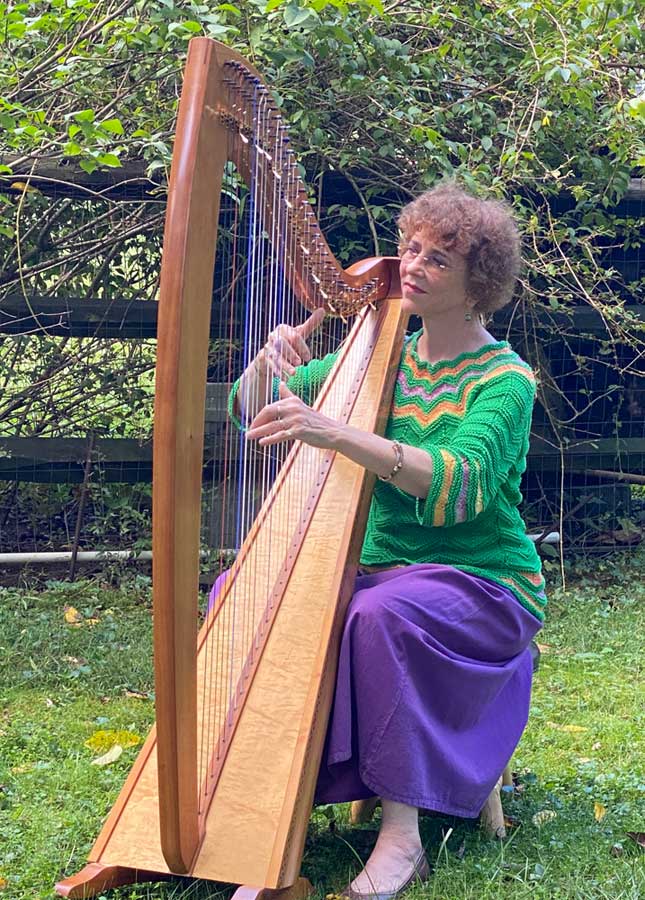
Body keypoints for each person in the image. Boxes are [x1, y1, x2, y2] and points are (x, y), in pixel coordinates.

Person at [226, 182, 546, 899]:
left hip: (481, 581)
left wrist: (336, 431)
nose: (414, 264)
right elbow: (249, 411)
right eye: (410, 248)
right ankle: (269, 818)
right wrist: (266, 363)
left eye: (439, 258)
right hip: (381, 570)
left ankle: (402, 838)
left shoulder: (504, 381)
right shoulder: (377, 358)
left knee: (378, 615)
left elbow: (456, 489)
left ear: (477, 285)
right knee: (237, 593)